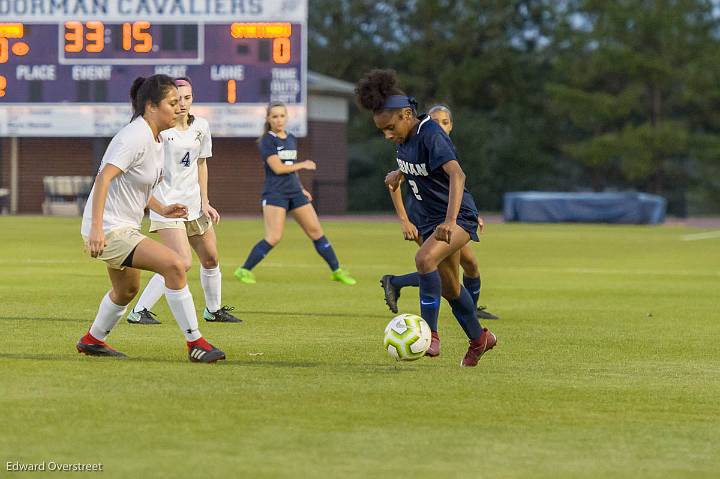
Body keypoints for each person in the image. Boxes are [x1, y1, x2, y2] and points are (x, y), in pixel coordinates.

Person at [76, 74, 225, 363]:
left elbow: (138, 186)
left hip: (122, 226)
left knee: (126, 290)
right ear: (151, 106)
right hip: (110, 229)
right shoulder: (135, 136)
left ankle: (93, 340)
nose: (179, 107)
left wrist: (162, 207)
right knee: (174, 264)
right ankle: (196, 342)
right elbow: (104, 178)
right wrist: (96, 229)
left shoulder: (156, 139)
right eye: (171, 102)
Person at [355, 69, 496, 367]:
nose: (387, 135)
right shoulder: (403, 139)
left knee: (423, 260)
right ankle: (479, 339)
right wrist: (400, 172)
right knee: (450, 288)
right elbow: (423, 169)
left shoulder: (431, 133)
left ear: (407, 114)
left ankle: (430, 334)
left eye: (390, 128)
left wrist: (450, 220)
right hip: (428, 219)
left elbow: (457, 174)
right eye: (383, 131)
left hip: (456, 217)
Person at [126, 77, 241, 325]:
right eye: (177, 99)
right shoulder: (159, 131)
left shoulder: (201, 126)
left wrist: (205, 201)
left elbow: (201, 164)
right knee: (181, 262)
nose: (183, 104)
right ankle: (139, 311)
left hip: (194, 206)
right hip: (167, 206)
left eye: (187, 98)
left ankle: (213, 309)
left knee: (211, 258)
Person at [380, 104, 499, 320]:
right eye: (435, 122)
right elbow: (394, 182)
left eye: (445, 122)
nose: (440, 126)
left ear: (451, 126)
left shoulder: (443, 148)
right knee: (438, 269)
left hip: (446, 218)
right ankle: (450, 324)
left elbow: (454, 186)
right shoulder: (420, 144)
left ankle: (469, 312)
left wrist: (472, 214)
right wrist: (405, 220)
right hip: (425, 219)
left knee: (467, 264)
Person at [233, 101, 356, 286]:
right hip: (275, 193)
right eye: (274, 116)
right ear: (268, 119)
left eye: (282, 115)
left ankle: (337, 270)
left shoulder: (290, 137)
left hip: (294, 192)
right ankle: (244, 270)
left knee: (316, 231)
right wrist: (304, 164)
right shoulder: (268, 140)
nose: (279, 120)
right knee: (274, 237)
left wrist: (301, 188)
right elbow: (278, 168)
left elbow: (291, 169)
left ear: (287, 117)